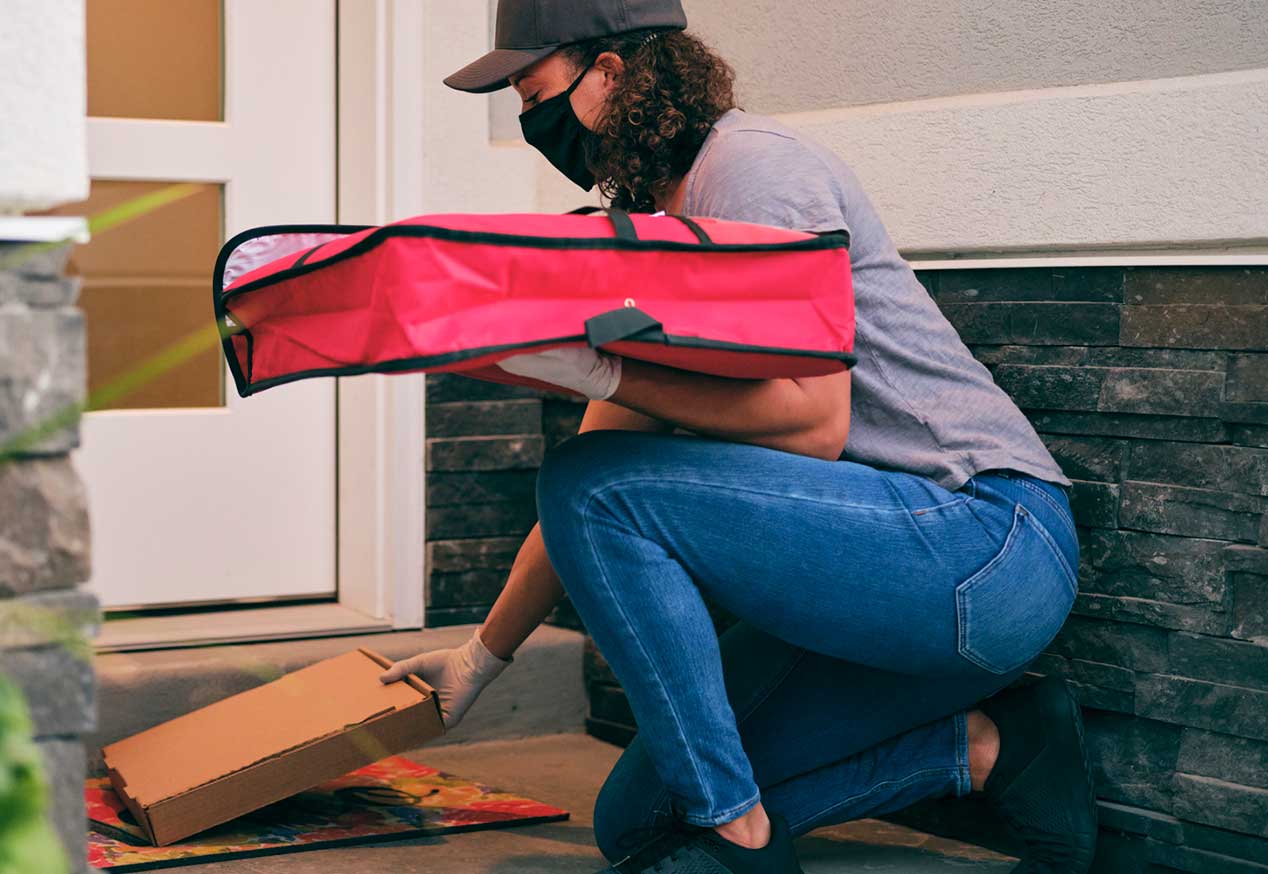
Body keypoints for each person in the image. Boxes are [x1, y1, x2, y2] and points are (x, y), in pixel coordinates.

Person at [377, 2, 1098, 873]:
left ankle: (737, 835)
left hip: (982, 546)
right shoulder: (659, 214)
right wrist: (479, 659)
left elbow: (817, 426)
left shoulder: (752, 173)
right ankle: (993, 749)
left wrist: (605, 371)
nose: (530, 121)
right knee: (638, 827)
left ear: (612, 70)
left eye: (534, 91)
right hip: (871, 564)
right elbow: (596, 469)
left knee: (595, 488)